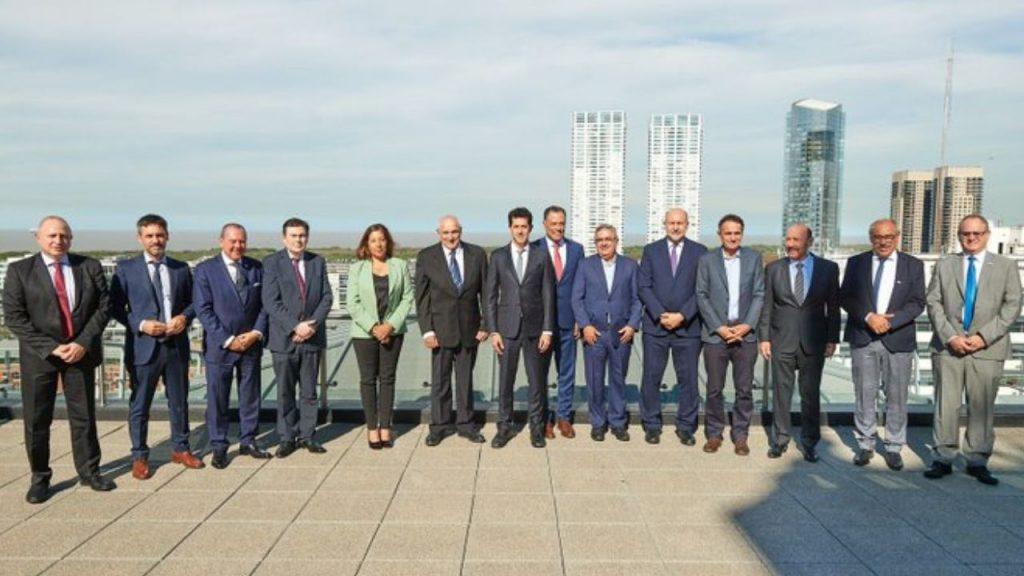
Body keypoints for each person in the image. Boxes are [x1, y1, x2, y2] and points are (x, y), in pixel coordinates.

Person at [3, 216, 115, 503]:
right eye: (52, 235)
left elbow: (104, 307)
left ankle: (90, 472)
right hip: (40, 357)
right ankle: (40, 478)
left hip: (80, 354)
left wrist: (82, 342)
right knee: (37, 420)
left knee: (84, 417)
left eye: (63, 235)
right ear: (38, 238)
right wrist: (52, 347)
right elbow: (14, 318)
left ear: (71, 238)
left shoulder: (89, 266)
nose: (58, 240)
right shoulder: (20, 271)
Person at [924, 214, 1022, 485]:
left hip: (987, 348)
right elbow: (933, 302)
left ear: (987, 235)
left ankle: (977, 460)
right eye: (965, 233)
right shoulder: (945, 265)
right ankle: (943, 457)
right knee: (946, 405)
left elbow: (1012, 305)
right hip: (949, 348)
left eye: (977, 233)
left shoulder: (1005, 266)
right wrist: (950, 337)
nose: (971, 238)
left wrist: (983, 337)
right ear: (959, 236)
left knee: (982, 408)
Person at [110, 214, 203, 480]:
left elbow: (194, 302)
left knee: (179, 401)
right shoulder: (126, 269)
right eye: (149, 236)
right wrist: (141, 325)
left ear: (167, 236)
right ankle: (139, 456)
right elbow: (114, 307)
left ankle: (181, 448)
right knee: (140, 405)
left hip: (176, 346)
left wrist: (184, 318)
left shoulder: (180, 268)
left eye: (160, 235)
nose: (155, 240)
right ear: (140, 238)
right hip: (144, 346)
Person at [840, 218, 925, 471]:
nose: (884, 241)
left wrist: (891, 321)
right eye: (878, 237)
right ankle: (865, 444)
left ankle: (894, 447)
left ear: (897, 237)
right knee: (864, 393)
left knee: (897, 395)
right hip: (864, 336)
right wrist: (869, 317)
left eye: (888, 236)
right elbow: (845, 297)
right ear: (871, 239)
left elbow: (918, 302)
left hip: (897, 338)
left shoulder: (913, 265)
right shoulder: (856, 263)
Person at [758, 224, 840, 462]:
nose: (790, 244)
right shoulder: (774, 269)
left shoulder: (828, 269)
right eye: (788, 239)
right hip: (781, 340)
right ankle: (780, 440)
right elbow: (767, 306)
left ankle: (810, 443)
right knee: (781, 394)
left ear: (809, 242)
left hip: (814, 342)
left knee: (810, 396)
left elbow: (833, 307)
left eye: (796, 240)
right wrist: (764, 338)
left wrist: (832, 339)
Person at [193, 223, 270, 468]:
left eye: (242, 241)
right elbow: (203, 309)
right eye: (233, 241)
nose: (238, 246)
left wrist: (255, 333)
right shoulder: (205, 270)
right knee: (218, 399)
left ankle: (249, 440)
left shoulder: (257, 268)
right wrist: (228, 339)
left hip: (251, 344)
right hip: (220, 347)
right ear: (221, 241)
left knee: (251, 396)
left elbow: (265, 305)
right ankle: (219, 446)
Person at [415, 215, 489, 446]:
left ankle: (467, 425)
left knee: (465, 381)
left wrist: (485, 325)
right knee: (440, 382)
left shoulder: (477, 254)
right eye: (445, 232)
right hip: (440, 331)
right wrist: (427, 331)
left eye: (454, 232)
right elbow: (422, 298)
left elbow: (486, 293)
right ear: (438, 233)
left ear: (461, 231)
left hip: (470, 330)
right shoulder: (426, 257)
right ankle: (439, 426)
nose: (450, 237)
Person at [262, 217, 333, 458]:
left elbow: (327, 297)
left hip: (312, 337)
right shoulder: (272, 263)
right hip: (284, 339)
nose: (298, 240)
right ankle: (287, 437)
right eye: (293, 235)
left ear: (307, 237)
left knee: (309, 391)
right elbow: (270, 301)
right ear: (284, 238)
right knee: (285, 392)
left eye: (302, 235)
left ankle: (308, 436)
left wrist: (311, 325)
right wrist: (295, 326)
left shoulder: (317, 262)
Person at [486, 207, 556, 449]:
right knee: (505, 382)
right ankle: (504, 427)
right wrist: (494, 331)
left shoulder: (541, 255)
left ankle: (537, 429)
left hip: (535, 330)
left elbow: (548, 294)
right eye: (516, 226)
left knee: (536, 382)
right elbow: (490, 297)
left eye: (524, 226)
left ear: (530, 228)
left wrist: (547, 330)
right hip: (506, 330)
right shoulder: (498, 257)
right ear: (510, 228)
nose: (520, 231)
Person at [695, 214, 764, 456]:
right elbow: (701, 295)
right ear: (720, 235)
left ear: (742, 234)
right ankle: (714, 434)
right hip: (716, 336)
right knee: (714, 389)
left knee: (744, 390)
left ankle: (741, 435)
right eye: (728, 233)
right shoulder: (707, 260)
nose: (733, 237)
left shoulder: (754, 258)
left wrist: (747, 325)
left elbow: (759, 294)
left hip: (745, 336)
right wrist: (719, 327)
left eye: (737, 233)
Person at [638, 208, 707, 445]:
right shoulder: (651, 251)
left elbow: (702, 290)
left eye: (680, 223)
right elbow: (644, 286)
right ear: (664, 224)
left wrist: (682, 316)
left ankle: (686, 426)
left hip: (688, 329)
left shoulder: (700, 252)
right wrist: (661, 315)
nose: (675, 227)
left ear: (687, 225)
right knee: (651, 377)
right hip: (655, 328)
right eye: (671, 223)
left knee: (688, 380)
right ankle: (651, 425)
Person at [347, 223, 414, 449]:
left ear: (388, 242)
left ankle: (385, 426)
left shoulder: (400, 266)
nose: (378, 244)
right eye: (373, 240)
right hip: (364, 333)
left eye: (382, 239)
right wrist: (375, 327)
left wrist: (389, 326)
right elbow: (352, 303)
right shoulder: (357, 269)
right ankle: (371, 428)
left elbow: (407, 297)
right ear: (366, 244)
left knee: (387, 379)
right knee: (368, 380)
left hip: (393, 332)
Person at [572, 224, 641, 441]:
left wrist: (632, 325)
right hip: (594, 334)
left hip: (621, 333)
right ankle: (598, 423)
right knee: (595, 381)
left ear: (616, 241)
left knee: (618, 380)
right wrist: (585, 325)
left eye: (608, 239)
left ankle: (618, 423)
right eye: (599, 240)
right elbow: (577, 299)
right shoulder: (585, 265)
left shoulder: (630, 266)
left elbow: (637, 299)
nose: (603, 243)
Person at [533, 205, 585, 439]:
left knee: (567, 373)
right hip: (540, 325)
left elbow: (580, 287)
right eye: (553, 223)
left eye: (561, 223)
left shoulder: (576, 250)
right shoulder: (534, 248)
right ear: (545, 224)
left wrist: (579, 319)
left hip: (568, 323)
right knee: (540, 375)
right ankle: (544, 419)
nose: (558, 227)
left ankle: (563, 417)